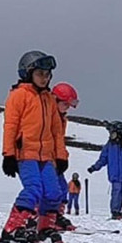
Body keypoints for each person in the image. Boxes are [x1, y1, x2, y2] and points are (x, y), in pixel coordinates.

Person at [0, 50, 68, 243]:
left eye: (47, 75)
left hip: (46, 156)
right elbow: (10, 126)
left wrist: (61, 156)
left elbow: (57, 131)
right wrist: (9, 154)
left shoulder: (49, 99)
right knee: (33, 189)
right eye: (40, 74)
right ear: (28, 73)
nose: (44, 78)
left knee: (54, 193)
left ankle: (45, 228)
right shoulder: (19, 95)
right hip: (25, 154)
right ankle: (13, 228)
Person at [87, 121, 122, 221]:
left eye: (112, 133)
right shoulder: (109, 146)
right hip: (114, 175)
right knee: (116, 192)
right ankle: (115, 211)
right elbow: (103, 159)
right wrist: (94, 167)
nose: (110, 135)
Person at [51, 82, 80, 230]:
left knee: (62, 188)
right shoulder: (48, 116)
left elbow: (60, 142)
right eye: (65, 104)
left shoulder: (62, 118)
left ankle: (56, 216)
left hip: (56, 161)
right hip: (46, 160)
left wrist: (63, 157)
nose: (67, 108)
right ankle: (39, 217)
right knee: (47, 190)